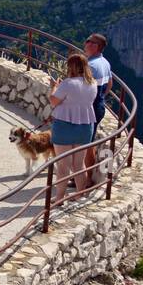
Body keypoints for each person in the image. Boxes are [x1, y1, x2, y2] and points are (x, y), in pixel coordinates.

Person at [49, 52, 99, 204]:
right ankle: (79, 195)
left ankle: (59, 198)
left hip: (64, 126)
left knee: (63, 165)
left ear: (71, 66)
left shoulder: (67, 84)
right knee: (79, 164)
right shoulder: (93, 83)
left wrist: (54, 87)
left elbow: (53, 101)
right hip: (85, 127)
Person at [83, 33, 112, 180]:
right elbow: (110, 85)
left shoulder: (90, 66)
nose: (85, 43)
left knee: (85, 145)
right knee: (89, 142)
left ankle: (86, 180)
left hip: (89, 109)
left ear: (96, 46)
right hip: (99, 106)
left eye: (89, 41)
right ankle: (84, 177)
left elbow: (82, 90)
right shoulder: (105, 62)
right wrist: (100, 98)